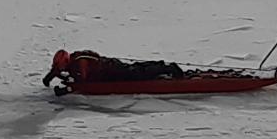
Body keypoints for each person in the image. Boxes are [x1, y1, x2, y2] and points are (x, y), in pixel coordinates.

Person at [41, 49, 185, 88]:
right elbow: (55, 72)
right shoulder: (73, 60)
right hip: (110, 67)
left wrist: (66, 88)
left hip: (111, 71)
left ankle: (166, 68)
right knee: (135, 69)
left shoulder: (80, 63)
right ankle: (160, 65)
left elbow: (81, 81)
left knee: (137, 74)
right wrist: (50, 77)